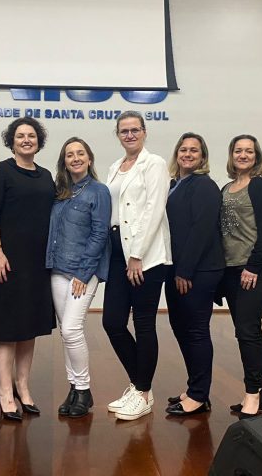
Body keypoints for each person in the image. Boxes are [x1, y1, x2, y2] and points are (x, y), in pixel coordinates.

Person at [0, 117, 55, 421]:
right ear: (11, 141)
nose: (26, 140)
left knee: (29, 327)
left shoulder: (46, 175)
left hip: (38, 263)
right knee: (7, 327)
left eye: (31, 136)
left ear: (39, 141)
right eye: (20, 136)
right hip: (8, 261)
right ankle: (4, 390)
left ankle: (23, 387)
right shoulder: (0, 172)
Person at [103, 111, 172, 421]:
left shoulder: (154, 164)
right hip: (118, 251)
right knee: (112, 322)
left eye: (135, 130)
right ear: (118, 135)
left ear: (144, 132)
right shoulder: (114, 167)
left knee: (143, 324)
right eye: (124, 131)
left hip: (145, 256)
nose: (129, 135)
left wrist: (137, 255)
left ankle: (142, 393)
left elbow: (154, 209)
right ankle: (140, 384)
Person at [46, 137, 110, 418]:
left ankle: (84, 389)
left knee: (72, 329)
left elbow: (100, 233)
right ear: (64, 161)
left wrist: (84, 273)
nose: (75, 158)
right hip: (57, 269)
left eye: (80, 153)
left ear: (89, 158)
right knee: (66, 332)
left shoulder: (98, 191)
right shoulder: (61, 192)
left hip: (84, 271)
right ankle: (74, 388)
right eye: (69, 154)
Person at [218, 134, 262, 419]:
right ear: (231, 155)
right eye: (238, 151)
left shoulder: (261, 187)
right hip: (231, 271)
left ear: (256, 156)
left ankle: (253, 392)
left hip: (254, 270)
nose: (243, 155)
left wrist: (253, 267)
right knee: (242, 330)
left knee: (248, 330)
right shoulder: (226, 188)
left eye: (249, 151)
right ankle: (258, 391)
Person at [164, 133, 225, 417]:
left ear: (203, 157)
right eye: (183, 149)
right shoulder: (175, 184)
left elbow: (202, 230)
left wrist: (185, 270)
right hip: (177, 268)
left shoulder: (204, 185)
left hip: (197, 271)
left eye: (194, 150)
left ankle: (199, 395)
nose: (187, 154)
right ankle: (194, 388)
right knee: (181, 328)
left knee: (196, 330)